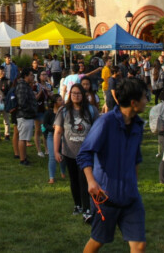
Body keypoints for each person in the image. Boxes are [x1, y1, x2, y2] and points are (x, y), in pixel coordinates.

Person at [78, 77, 148, 252]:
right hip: (106, 197)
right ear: (133, 102)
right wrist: (91, 181)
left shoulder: (138, 125)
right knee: (97, 241)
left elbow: (136, 157)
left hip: (131, 198)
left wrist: (134, 183)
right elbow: (84, 153)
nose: (147, 101)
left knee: (139, 245)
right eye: (145, 97)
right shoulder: (105, 123)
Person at [55, 84, 98, 224]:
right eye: (73, 93)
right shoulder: (64, 111)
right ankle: (77, 204)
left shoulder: (91, 110)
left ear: (84, 95)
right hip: (69, 152)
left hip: (86, 153)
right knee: (74, 180)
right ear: (69, 94)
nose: (76, 96)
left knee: (84, 180)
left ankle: (87, 208)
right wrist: (56, 150)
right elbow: (58, 131)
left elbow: (98, 131)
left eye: (79, 93)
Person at [15, 69, 38, 166]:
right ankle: (22, 159)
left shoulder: (25, 85)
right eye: (31, 75)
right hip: (24, 115)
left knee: (24, 138)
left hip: (27, 115)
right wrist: (31, 109)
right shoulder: (22, 86)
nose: (32, 77)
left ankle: (24, 156)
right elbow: (21, 102)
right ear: (25, 76)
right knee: (23, 138)